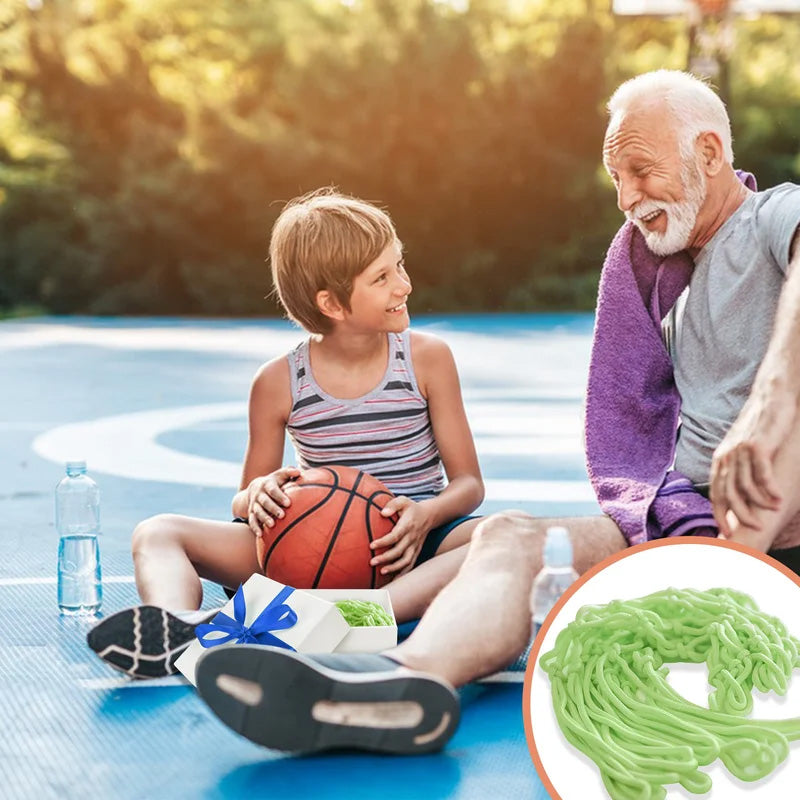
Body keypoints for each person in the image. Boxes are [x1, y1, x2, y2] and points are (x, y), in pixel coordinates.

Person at [194, 70, 800, 754]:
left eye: (641, 171)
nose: (627, 199)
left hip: (773, 530)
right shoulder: (657, 267)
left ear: (711, 155)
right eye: (616, 179)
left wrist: (772, 405)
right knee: (506, 535)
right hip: (685, 520)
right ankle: (402, 682)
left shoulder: (771, 217)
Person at [87, 189, 486, 679]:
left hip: (407, 548)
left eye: (399, 265)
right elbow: (243, 501)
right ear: (331, 304)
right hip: (309, 553)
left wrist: (425, 516)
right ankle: (177, 626)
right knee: (157, 531)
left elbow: (469, 484)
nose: (404, 284)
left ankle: (357, 614)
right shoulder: (279, 381)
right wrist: (259, 492)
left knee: (497, 535)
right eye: (382, 277)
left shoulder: (426, 359)